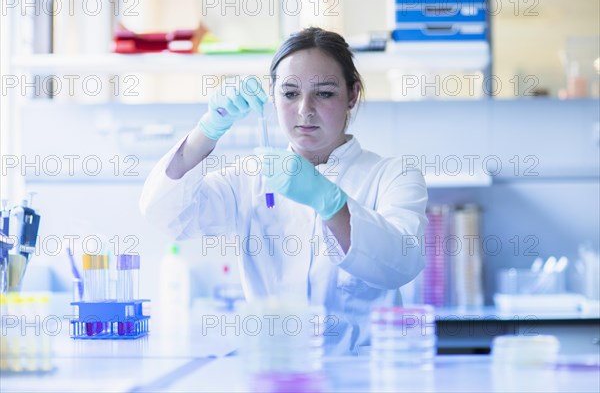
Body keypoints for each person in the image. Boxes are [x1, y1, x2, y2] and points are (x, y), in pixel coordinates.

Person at [140, 27, 428, 355]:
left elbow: (401, 263)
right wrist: (208, 130)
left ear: (352, 95)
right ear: (273, 96)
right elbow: (165, 215)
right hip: (276, 372)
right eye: (290, 93)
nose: (305, 109)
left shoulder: (392, 176)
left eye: (324, 93)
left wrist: (331, 203)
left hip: (361, 376)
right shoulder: (249, 178)